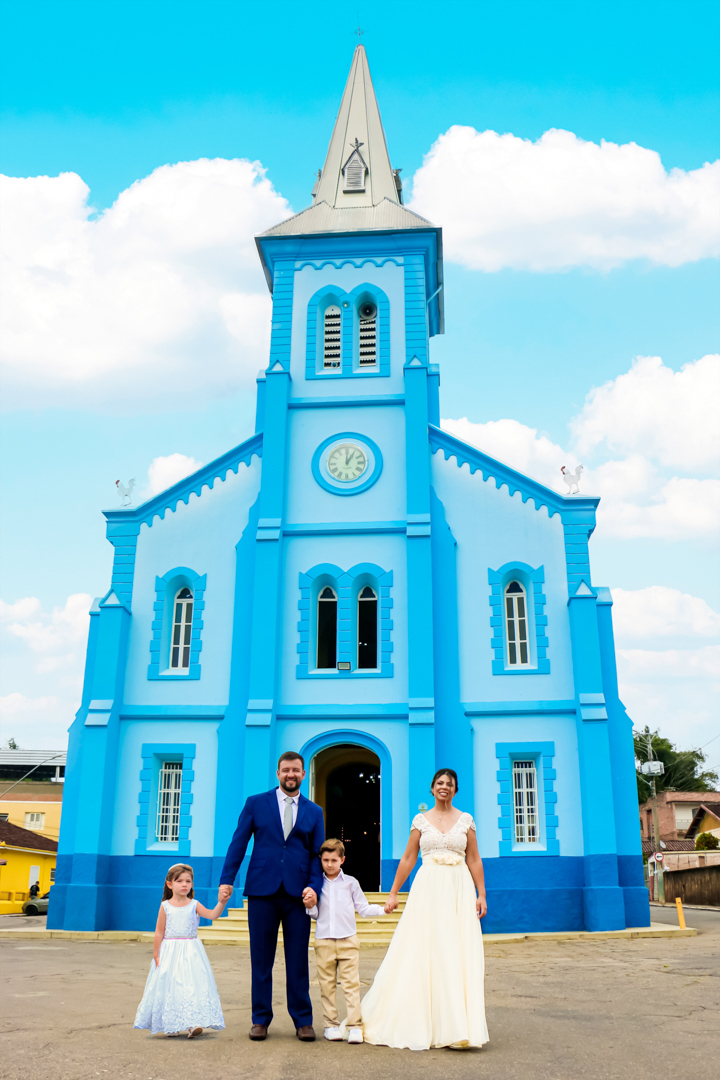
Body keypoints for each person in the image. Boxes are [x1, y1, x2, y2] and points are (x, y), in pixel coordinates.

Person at [359, 768, 489, 1051]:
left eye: (450, 784)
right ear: (432, 788)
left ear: (455, 790)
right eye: (440, 783)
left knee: (457, 951)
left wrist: (481, 894)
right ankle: (422, 1022)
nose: (445, 787)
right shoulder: (421, 820)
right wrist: (393, 892)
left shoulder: (466, 820)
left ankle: (457, 1027)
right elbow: (408, 858)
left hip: (459, 888)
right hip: (428, 888)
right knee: (424, 949)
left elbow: (474, 859)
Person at [218, 751, 324, 1042]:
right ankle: (260, 1019)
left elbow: (317, 855)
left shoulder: (315, 812)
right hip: (262, 891)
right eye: (286, 770)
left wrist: (315, 887)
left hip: (298, 894)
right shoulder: (256, 803)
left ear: (304, 774)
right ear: (278, 773)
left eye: (296, 770)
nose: (291, 775)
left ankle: (303, 1020)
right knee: (261, 959)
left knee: (298, 960)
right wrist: (227, 880)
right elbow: (238, 843)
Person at [305, 838, 386, 1044]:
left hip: (348, 940)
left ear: (342, 860)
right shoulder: (316, 884)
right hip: (324, 941)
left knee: (351, 984)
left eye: (334, 860)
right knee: (327, 985)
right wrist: (310, 904)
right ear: (320, 860)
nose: (329, 864)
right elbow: (314, 914)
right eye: (325, 860)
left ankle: (354, 1026)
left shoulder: (351, 883)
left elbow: (364, 908)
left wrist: (383, 909)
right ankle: (330, 1025)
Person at [134, 863, 228, 1038]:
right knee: (170, 987)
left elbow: (213, 915)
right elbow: (159, 931)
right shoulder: (165, 906)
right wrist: (156, 954)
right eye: (179, 881)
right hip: (169, 951)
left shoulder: (194, 905)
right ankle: (171, 1024)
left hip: (191, 951)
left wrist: (221, 902)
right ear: (169, 884)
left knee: (191, 986)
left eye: (188, 881)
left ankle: (193, 1024)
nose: (184, 884)